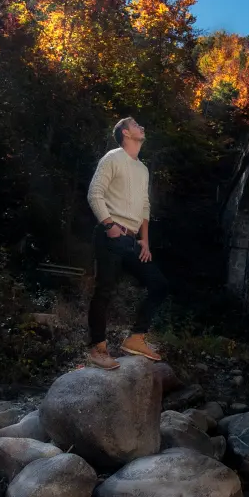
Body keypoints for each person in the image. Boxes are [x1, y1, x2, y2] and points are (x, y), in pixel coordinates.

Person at [85, 116, 169, 368]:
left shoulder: (142, 169)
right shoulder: (112, 158)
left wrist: (145, 240)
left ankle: (136, 337)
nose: (141, 126)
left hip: (132, 241)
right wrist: (109, 225)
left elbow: (145, 205)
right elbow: (94, 193)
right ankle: (97, 348)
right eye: (135, 124)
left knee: (159, 285)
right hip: (111, 235)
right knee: (105, 291)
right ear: (124, 133)